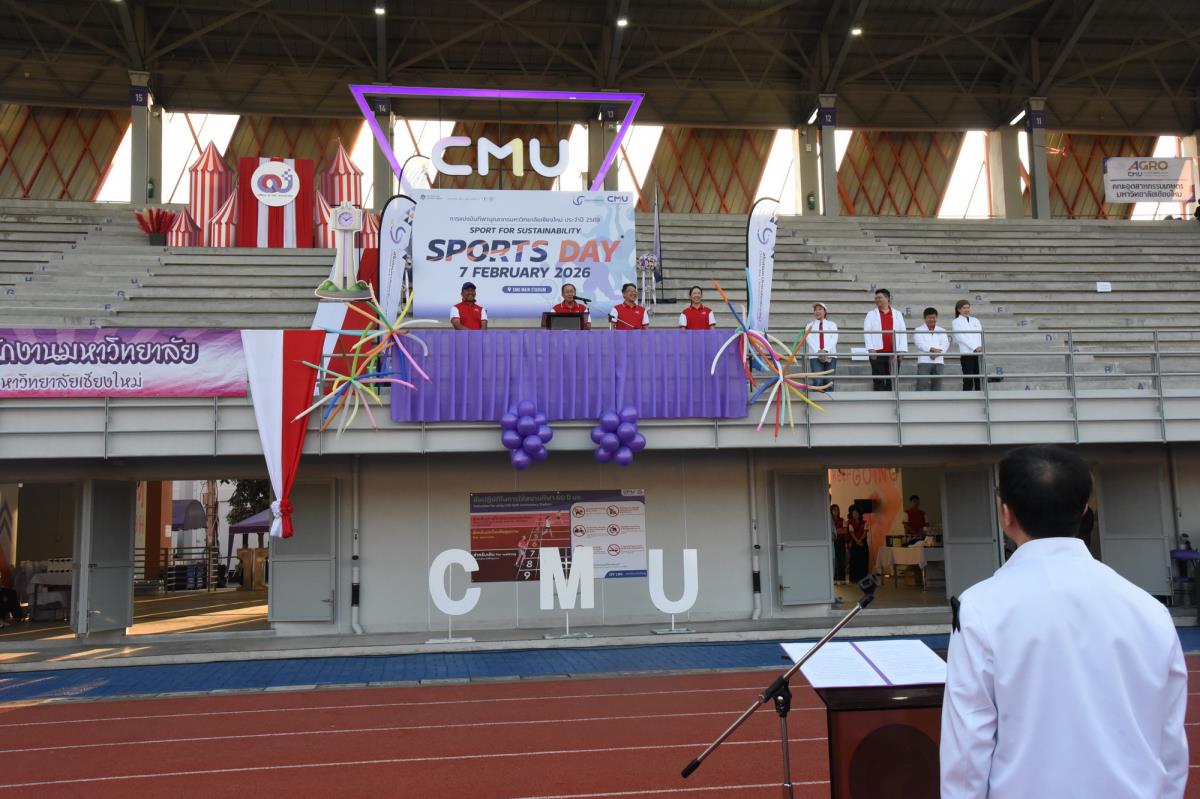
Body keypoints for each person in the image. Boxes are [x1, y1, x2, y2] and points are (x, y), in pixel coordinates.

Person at [941, 444, 1187, 799]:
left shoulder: (980, 608)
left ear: (1005, 513)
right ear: (1084, 509)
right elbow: (1170, 744)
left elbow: (967, 749)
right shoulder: (1149, 610)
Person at [863, 288, 907, 391]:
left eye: (880, 297)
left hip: (894, 352)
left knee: (892, 379)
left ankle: (891, 399)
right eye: (876, 298)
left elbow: (902, 332)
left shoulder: (897, 314)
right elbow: (867, 332)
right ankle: (879, 399)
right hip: (877, 352)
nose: (877, 300)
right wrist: (870, 348)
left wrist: (902, 349)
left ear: (887, 298)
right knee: (878, 379)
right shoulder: (871, 314)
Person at [913, 306, 949, 391]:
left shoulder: (942, 330)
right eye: (929, 318)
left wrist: (937, 353)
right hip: (924, 361)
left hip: (939, 361)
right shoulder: (918, 329)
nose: (932, 320)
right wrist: (931, 349)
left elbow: (945, 344)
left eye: (934, 317)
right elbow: (919, 344)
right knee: (922, 384)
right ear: (924, 318)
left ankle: (936, 400)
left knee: (937, 385)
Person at [804, 302, 838, 391]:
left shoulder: (832, 324)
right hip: (815, 356)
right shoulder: (809, 325)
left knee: (829, 381)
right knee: (817, 380)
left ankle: (829, 399)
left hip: (830, 355)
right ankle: (816, 398)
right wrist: (818, 351)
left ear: (825, 311)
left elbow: (834, 338)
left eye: (820, 309)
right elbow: (808, 339)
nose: (817, 311)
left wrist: (825, 350)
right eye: (815, 310)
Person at [952, 299, 983, 390]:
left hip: (978, 352)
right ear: (959, 309)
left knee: (979, 378)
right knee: (968, 378)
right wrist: (974, 347)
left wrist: (979, 347)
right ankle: (967, 397)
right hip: (966, 353)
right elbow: (961, 337)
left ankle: (980, 396)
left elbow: (979, 334)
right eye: (964, 308)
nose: (966, 310)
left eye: (968, 308)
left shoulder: (975, 320)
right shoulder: (956, 322)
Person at [846, 506, 870, 582]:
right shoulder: (850, 523)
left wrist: (860, 540)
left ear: (859, 514)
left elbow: (865, 533)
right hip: (855, 543)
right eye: (853, 513)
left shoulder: (865, 522)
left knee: (863, 560)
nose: (855, 515)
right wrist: (857, 541)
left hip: (863, 542)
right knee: (854, 561)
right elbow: (851, 533)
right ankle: (854, 578)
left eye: (856, 513)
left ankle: (863, 577)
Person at [830, 503, 848, 584]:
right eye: (834, 510)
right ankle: (834, 579)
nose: (836, 511)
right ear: (831, 511)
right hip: (833, 542)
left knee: (841, 560)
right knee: (834, 560)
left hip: (840, 542)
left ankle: (842, 579)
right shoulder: (829, 521)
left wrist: (836, 531)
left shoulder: (842, 520)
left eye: (837, 510)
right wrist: (838, 530)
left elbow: (845, 531)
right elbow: (831, 532)